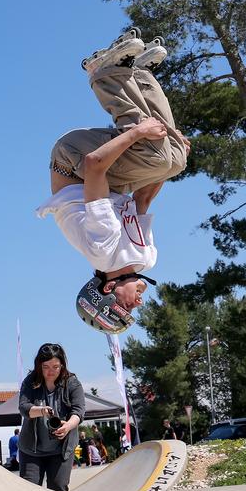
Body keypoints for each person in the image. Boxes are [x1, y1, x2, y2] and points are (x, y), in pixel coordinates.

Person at [36, 28, 190, 334]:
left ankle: (104, 72)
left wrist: (137, 133)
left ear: (108, 291)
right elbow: (143, 199)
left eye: (129, 305)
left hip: (72, 160)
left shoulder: (102, 249)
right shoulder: (146, 258)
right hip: (112, 183)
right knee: (173, 159)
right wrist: (176, 156)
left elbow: (94, 166)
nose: (140, 302)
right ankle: (140, 76)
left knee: (156, 154)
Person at [16, 343, 85, 491]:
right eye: (46, 367)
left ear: (62, 365)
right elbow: (23, 407)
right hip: (31, 450)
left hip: (61, 450)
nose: (51, 371)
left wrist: (67, 426)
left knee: (58, 489)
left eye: (55, 366)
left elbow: (78, 411)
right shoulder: (30, 382)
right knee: (29, 490)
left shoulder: (72, 383)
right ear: (39, 366)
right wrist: (41, 411)